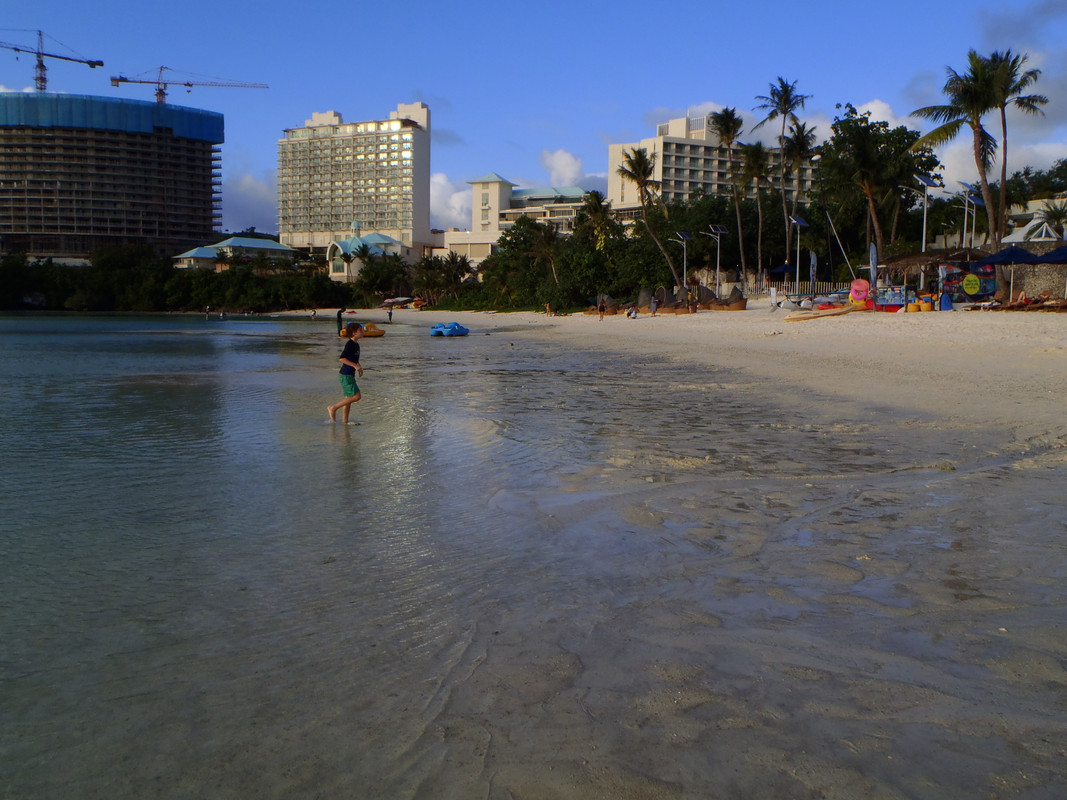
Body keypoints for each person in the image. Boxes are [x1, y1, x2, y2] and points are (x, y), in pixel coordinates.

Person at [328, 322, 364, 424]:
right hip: (346, 375)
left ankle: (345, 422)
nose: (362, 332)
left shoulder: (356, 344)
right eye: (360, 330)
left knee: (348, 399)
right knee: (357, 397)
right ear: (354, 333)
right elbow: (342, 359)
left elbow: (354, 359)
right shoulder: (350, 344)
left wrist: (359, 367)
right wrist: (355, 366)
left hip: (348, 375)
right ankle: (333, 408)